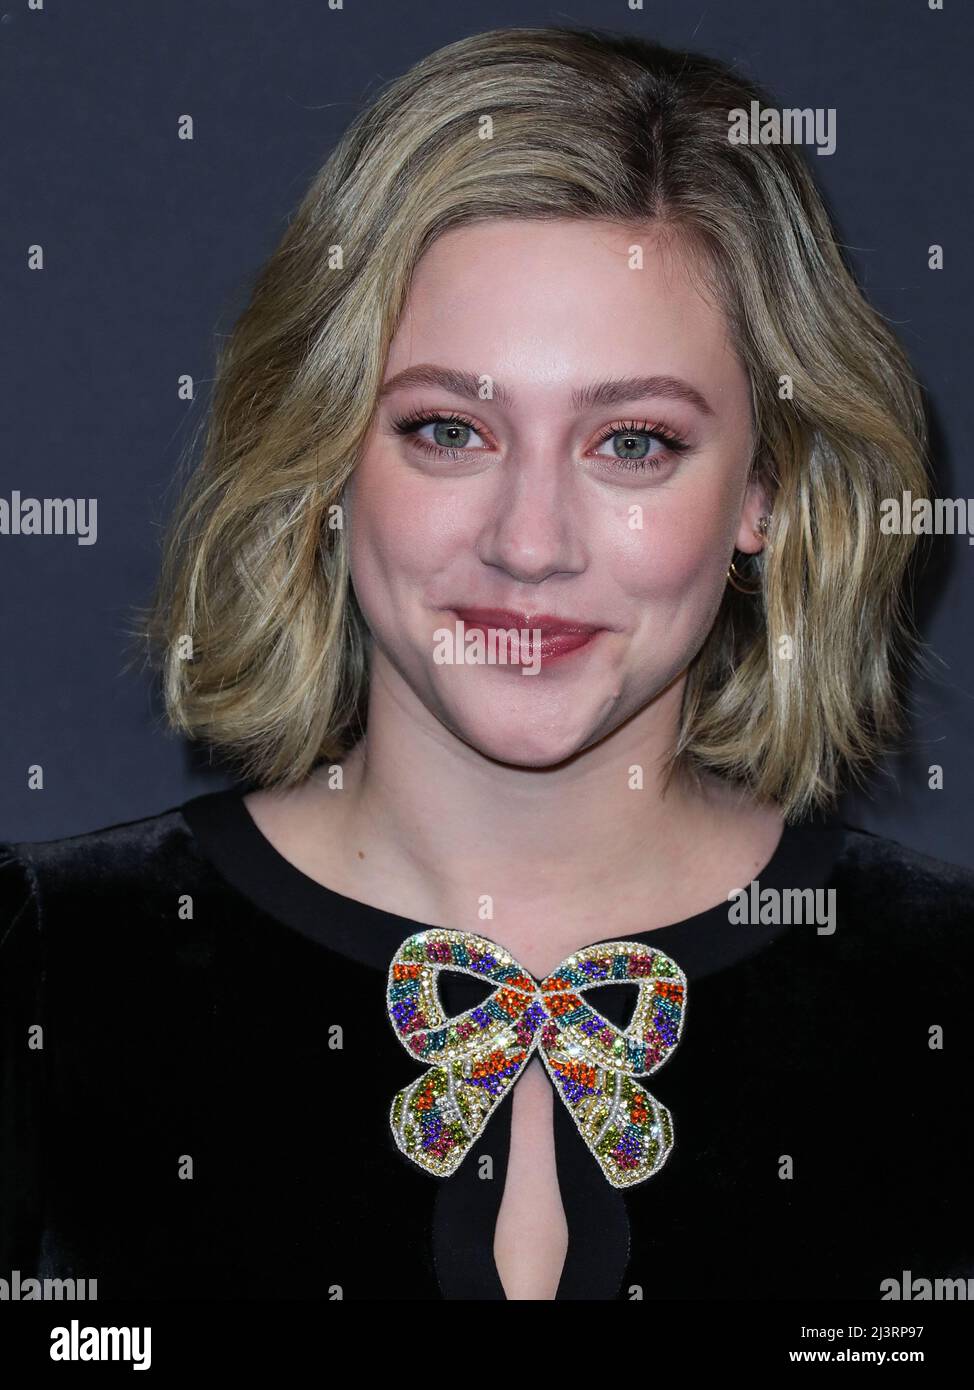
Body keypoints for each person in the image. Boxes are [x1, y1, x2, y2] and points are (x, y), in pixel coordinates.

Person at [1, 25, 971, 1303]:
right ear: (328, 457)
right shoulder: (46, 966)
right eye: (447, 429)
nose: (528, 543)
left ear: (765, 491)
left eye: (631, 442)